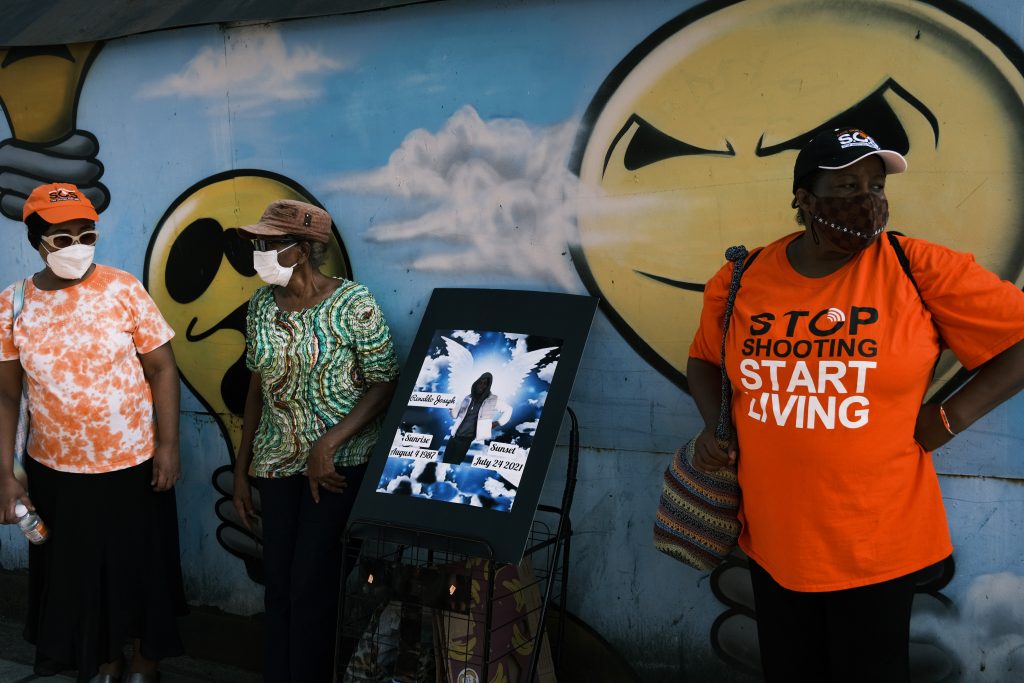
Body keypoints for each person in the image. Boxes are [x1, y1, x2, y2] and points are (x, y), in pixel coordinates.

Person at [687, 127, 1024, 682]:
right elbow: (704, 360)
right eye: (847, 185)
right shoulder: (742, 278)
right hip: (774, 538)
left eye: (875, 184)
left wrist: (949, 418)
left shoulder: (919, 268)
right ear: (804, 197)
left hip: (875, 543)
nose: (866, 201)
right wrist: (713, 427)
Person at [0, 183, 185, 683]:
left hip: (134, 465)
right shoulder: (14, 305)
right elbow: (6, 398)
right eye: (62, 239)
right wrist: (8, 476)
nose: (77, 247)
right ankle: (105, 660)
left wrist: (168, 446)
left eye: (86, 235)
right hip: (57, 473)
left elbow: (163, 369)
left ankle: (146, 662)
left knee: (142, 570)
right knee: (83, 578)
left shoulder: (123, 289)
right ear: (36, 239)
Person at [231, 199, 399, 683]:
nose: (259, 252)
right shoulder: (262, 306)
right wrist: (243, 472)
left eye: (269, 243)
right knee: (278, 587)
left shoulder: (352, 304)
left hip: (336, 468)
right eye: (258, 243)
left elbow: (384, 381)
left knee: (312, 586)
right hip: (276, 465)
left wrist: (328, 443)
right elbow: (256, 390)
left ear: (302, 250)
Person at [442, 372, 511, 464]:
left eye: (485, 383)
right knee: (445, 460)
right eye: (480, 382)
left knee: (455, 462)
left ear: (488, 386)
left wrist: (497, 423)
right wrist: (451, 408)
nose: (481, 386)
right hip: (454, 435)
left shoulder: (493, 400)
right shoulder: (468, 398)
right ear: (476, 383)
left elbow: (509, 410)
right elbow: (455, 416)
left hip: (466, 439)